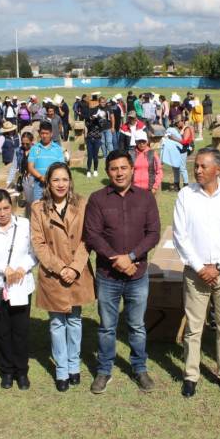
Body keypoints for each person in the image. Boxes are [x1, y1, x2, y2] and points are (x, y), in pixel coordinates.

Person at [83, 150, 161, 394]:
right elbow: (92, 234)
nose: (119, 173)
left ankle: (139, 368)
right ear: (108, 172)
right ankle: (104, 370)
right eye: (114, 169)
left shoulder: (146, 198)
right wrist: (115, 259)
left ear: (131, 169)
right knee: (107, 326)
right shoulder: (97, 199)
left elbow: (153, 233)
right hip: (108, 276)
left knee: (137, 325)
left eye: (123, 168)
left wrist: (131, 257)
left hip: (137, 274)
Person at [174, 148, 220, 398]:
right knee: (194, 327)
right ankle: (191, 375)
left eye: (203, 166)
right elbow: (180, 236)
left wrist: (217, 267)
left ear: (218, 169)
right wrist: (200, 267)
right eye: (196, 166)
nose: (197, 170)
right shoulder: (186, 194)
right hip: (196, 273)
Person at [30, 163, 95, 392]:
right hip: (53, 274)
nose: (60, 184)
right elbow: (38, 243)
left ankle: (74, 364)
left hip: (78, 272)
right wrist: (60, 268)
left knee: (75, 320)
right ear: (48, 182)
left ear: (70, 181)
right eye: (55, 180)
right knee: (57, 323)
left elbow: (88, 239)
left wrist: (75, 267)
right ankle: (61, 370)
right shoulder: (38, 208)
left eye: (64, 179)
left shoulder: (83, 204)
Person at [0, 189, 37, 391]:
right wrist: (4, 269)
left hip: (20, 285)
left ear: (12, 207)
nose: (2, 213)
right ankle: (7, 371)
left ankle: (22, 371)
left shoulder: (24, 225)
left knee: (21, 330)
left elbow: (34, 253)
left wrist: (22, 268)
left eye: (6, 208)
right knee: (3, 331)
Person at [27, 121, 65, 202]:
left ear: (51, 134)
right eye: (42, 133)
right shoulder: (34, 148)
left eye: (47, 133)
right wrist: (41, 177)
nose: (44, 136)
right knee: (38, 208)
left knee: (54, 207)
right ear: (39, 133)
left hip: (55, 185)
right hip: (39, 184)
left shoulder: (57, 148)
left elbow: (62, 167)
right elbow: (30, 167)